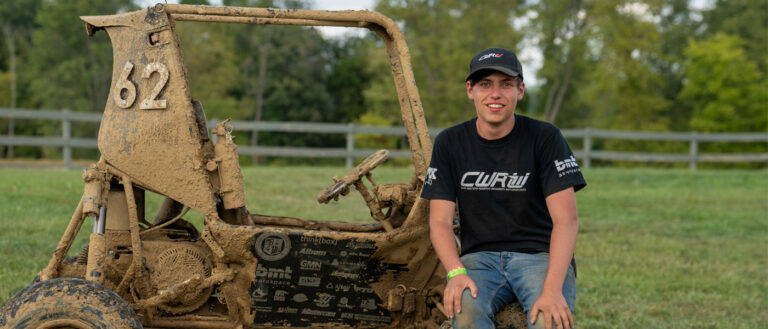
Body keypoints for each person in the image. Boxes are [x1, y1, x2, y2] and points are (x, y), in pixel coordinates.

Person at [421, 47, 586, 329]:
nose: (495, 94)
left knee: (550, 319)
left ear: (520, 90)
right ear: (470, 90)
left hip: (539, 257)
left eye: (506, 84)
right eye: (485, 84)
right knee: (466, 313)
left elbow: (566, 220)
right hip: (479, 259)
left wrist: (552, 289)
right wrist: (455, 272)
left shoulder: (545, 138)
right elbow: (439, 221)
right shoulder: (450, 142)